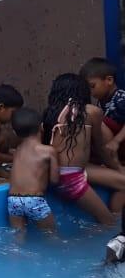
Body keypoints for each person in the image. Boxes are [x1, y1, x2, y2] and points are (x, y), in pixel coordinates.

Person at [41, 73, 125, 225]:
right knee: (108, 223)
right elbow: (101, 148)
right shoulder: (91, 112)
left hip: (56, 172)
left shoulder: (50, 114)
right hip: (71, 177)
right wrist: (118, 168)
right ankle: (116, 226)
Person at [6, 108, 58, 232]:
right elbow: (55, 180)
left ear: (15, 132)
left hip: (13, 200)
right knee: (52, 236)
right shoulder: (49, 151)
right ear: (42, 127)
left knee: (17, 240)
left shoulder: (17, 151)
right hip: (34, 200)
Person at [80, 57, 125, 163]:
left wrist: (116, 141)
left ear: (109, 80)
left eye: (92, 86)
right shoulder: (101, 101)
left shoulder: (121, 98)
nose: (90, 91)